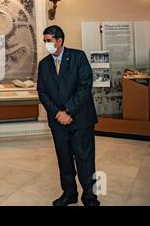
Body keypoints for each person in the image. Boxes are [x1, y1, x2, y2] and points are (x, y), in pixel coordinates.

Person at [37, 25, 100, 206]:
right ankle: (69, 193)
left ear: (59, 41)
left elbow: (85, 86)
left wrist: (68, 111)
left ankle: (90, 196)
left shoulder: (78, 57)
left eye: (48, 41)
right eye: (45, 41)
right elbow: (42, 92)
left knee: (85, 160)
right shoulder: (44, 64)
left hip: (80, 119)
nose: (46, 44)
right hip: (58, 122)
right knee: (64, 160)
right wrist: (57, 113)